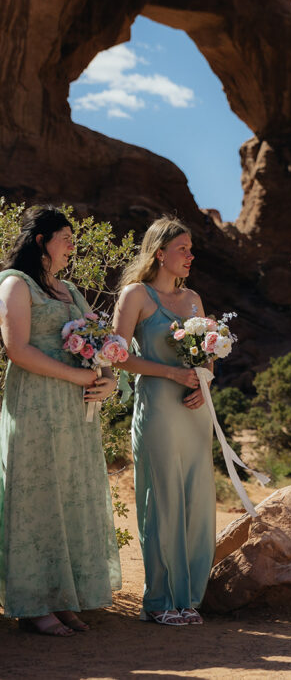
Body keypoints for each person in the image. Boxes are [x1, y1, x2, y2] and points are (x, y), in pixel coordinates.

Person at [0, 206, 120, 636]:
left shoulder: (69, 289)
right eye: (65, 236)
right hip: (34, 405)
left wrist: (108, 380)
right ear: (40, 241)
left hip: (76, 413)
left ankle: (63, 597)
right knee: (37, 498)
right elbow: (17, 349)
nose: (73, 244)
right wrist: (77, 375)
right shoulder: (17, 284)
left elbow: (99, 343)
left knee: (70, 495)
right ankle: (33, 605)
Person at [112, 217, 214, 627]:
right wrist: (171, 374)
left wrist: (203, 379)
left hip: (195, 409)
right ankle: (158, 601)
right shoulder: (136, 294)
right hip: (157, 407)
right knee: (163, 500)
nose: (190, 256)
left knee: (196, 500)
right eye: (183, 249)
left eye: (191, 249)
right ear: (159, 253)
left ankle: (188, 598)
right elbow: (117, 353)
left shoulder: (193, 300)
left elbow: (209, 355)